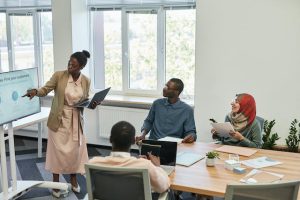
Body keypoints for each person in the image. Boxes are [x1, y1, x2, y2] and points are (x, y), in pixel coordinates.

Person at [23, 50, 99, 198]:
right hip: (59, 119)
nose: (70, 66)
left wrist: (93, 105)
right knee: (57, 152)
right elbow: (45, 90)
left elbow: (85, 100)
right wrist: (35, 91)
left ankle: (73, 178)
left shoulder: (86, 80)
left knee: (74, 152)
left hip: (76, 120)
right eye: (69, 63)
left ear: (81, 67)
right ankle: (55, 182)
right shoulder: (59, 75)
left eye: (74, 65)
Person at [88, 121, 170, 197]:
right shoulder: (145, 165)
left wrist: (136, 161)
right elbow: (163, 186)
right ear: (134, 141)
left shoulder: (93, 163)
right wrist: (158, 167)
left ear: (110, 139)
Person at [136, 78, 197, 143]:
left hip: (173, 145)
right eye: (165, 85)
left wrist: (191, 137)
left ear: (177, 92)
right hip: (154, 142)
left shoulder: (187, 110)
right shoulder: (157, 103)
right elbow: (148, 122)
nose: (164, 88)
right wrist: (143, 134)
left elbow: (191, 132)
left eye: (168, 87)